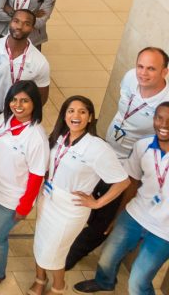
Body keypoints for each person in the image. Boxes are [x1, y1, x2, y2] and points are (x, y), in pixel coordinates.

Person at [64, 47, 169, 270]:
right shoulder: (130, 77)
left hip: (128, 163)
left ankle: (74, 253)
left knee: (106, 214)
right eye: (140, 66)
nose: (143, 73)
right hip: (106, 148)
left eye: (151, 69)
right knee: (84, 195)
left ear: (164, 72)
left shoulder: (165, 102)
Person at [27, 97, 127, 295]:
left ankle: (58, 286)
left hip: (71, 208)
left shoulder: (98, 148)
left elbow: (123, 181)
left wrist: (98, 203)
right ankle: (40, 279)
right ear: (64, 115)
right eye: (71, 111)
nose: (76, 116)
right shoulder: (59, 136)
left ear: (90, 117)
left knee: (55, 251)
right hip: (48, 199)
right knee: (40, 242)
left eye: (82, 112)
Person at [73, 102, 169, 295]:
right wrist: (118, 215)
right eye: (159, 118)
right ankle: (104, 282)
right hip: (135, 213)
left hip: (164, 230)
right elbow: (132, 182)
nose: (164, 124)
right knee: (107, 257)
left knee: (138, 282)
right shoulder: (142, 146)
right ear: (153, 119)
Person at [0, 80, 49, 291]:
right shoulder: (3, 120)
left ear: (35, 103)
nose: (18, 105)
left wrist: (25, 206)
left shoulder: (36, 137)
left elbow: (36, 176)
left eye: (25, 101)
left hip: (12, 198)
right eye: (14, 99)